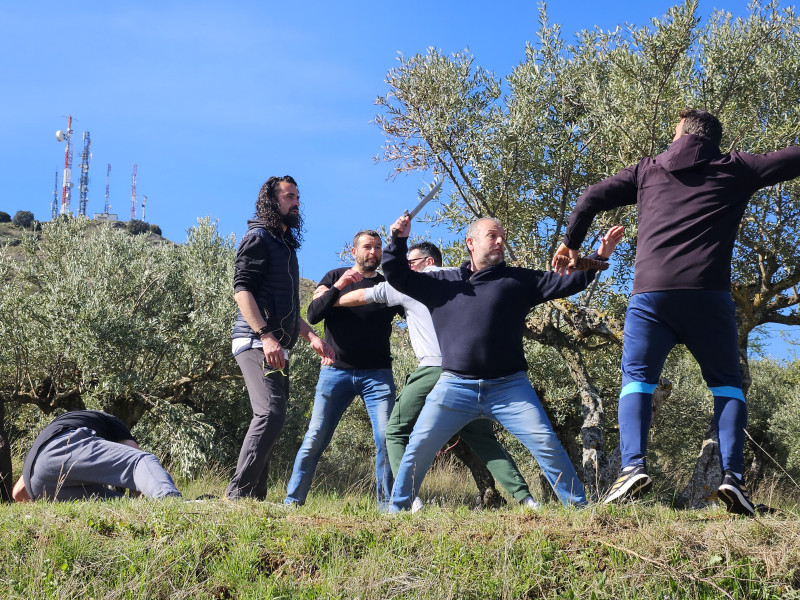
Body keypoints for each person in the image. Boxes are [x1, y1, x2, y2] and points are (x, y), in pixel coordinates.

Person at [553, 109, 800, 515]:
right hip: (709, 296)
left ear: (683, 132)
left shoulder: (648, 170)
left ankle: (632, 466)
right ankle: (732, 478)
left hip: (652, 296)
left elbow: (591, 196)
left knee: (637, 379)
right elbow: (790, 158)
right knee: (727, 385)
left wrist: (572, 241)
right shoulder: (736, 167)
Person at [382, 214, 623, 511]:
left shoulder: (517, 280)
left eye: (502, 237)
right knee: (418, 447)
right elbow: (396, 275)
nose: (500, 242)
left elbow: (569, 282)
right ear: (470, 243)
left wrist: (599, 256)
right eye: (492, 236)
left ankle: (579, 510)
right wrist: (398, 240)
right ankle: (399, 510)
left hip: (510, 388)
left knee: (547, 445)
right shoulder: (441, 283)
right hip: (454, 387)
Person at [336, 240, 542, 511]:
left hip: (433, 368)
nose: (406, 268)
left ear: (427, 262)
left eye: (410, 263)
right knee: (483, 439)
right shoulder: (465, 279)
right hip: (467, 373)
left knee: (397, 431)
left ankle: (409, 498)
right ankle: (527, 500)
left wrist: (332, 299)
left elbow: (362, 297)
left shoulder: (413, 284)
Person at [227, 175, 334, 501]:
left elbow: (285, 307)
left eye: (297, 196)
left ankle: (254, 497)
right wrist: (267, 336)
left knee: (274, 419)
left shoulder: (283, 244)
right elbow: (241, 291)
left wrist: (310, 335)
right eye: (289, 196)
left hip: (273, 345)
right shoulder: (258, 237)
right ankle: (238, 495)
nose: (296, 202)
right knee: (270, 414)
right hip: (256, 342)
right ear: (272, 202)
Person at [283, 230, 403, 508]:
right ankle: (292, 502)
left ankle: (386, 508)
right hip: (335, 373)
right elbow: (312, 315)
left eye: (377, 247)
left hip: (378, 375)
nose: (373, 252)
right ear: (353, 252)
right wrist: (340, 285)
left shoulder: (388, 286)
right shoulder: (333, 276)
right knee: (315, 438)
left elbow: (414, 312)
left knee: (386, 439)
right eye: (367, 247)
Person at [12, 410, 181, 501]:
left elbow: (18, 493)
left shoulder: (48, 434)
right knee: (141, 460)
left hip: (37, 484)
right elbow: (135, 457)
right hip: (63, 446)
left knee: (125, 505)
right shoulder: (110, 421)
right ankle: (171, 503)